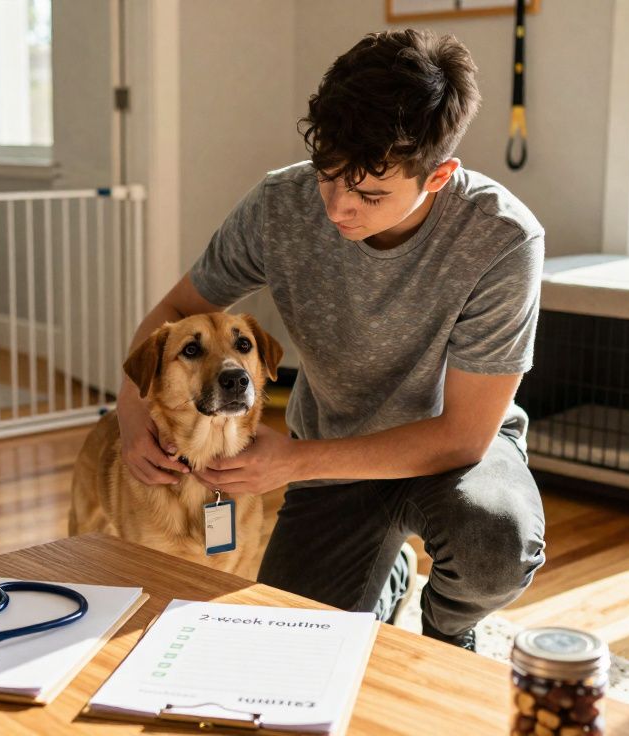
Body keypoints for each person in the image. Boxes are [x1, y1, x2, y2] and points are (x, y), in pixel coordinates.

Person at [115, 28, 545, 651]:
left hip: (456, 456)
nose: (339, 207)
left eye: (370, 193)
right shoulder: (279, 206)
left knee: (494, 541)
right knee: (289, 648)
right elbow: (178, 308)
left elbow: (461, 436)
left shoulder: (502, 239)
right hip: (333, 453)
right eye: (328, 176)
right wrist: (130, 416)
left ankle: (450, 627)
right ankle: (388, 574)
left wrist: (290, 463)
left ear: (439, 176)